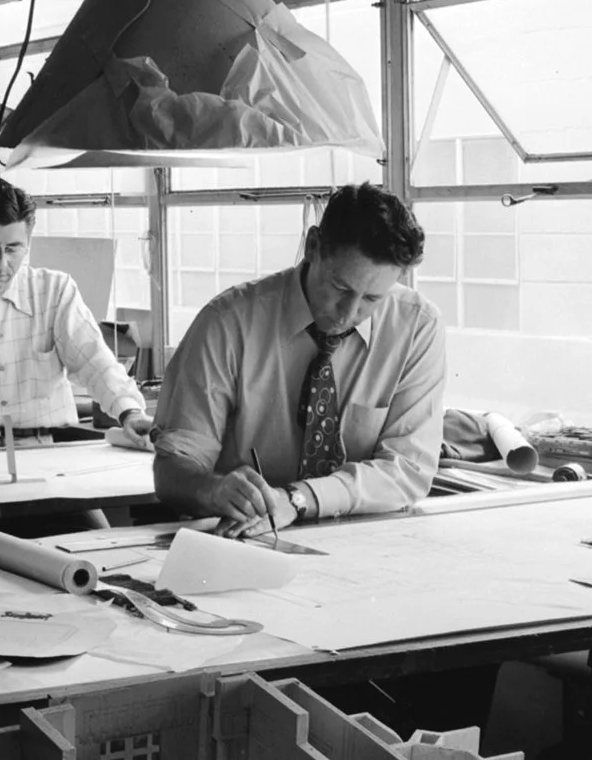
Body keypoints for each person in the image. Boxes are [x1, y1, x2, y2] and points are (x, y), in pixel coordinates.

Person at [153, 182, 443, 535]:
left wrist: (296, 499)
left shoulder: (416, 327)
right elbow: (172, 473)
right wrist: (211, 490)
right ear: (313, 247)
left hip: (359, 536)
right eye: (340, 288)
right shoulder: (227, 323)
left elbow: (407, 472)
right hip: (236, 536)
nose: (347, 314)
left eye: (371, 299)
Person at [0, 176, 150, 439]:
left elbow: (95, 362)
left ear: (28, 242)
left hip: (49, 449)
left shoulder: (54, 292)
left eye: (12, 249)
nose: (1, 264)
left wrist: (130, 412)